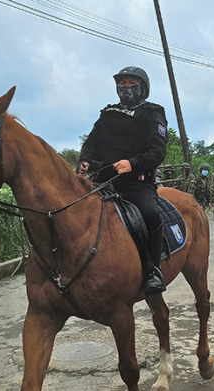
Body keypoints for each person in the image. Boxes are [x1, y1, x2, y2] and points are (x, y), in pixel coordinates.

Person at [77, 66, 167, 295]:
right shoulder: (108, 113)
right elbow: (91, 143)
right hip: (103, 182)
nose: (126, 87)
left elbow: (157, 152)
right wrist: (84, 161)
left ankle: (152, 269)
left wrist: (132, 163)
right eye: (122, 83)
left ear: (143, 87)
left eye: (131, 83)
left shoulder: (153, 112)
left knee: (150, 213)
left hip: (137, 182)